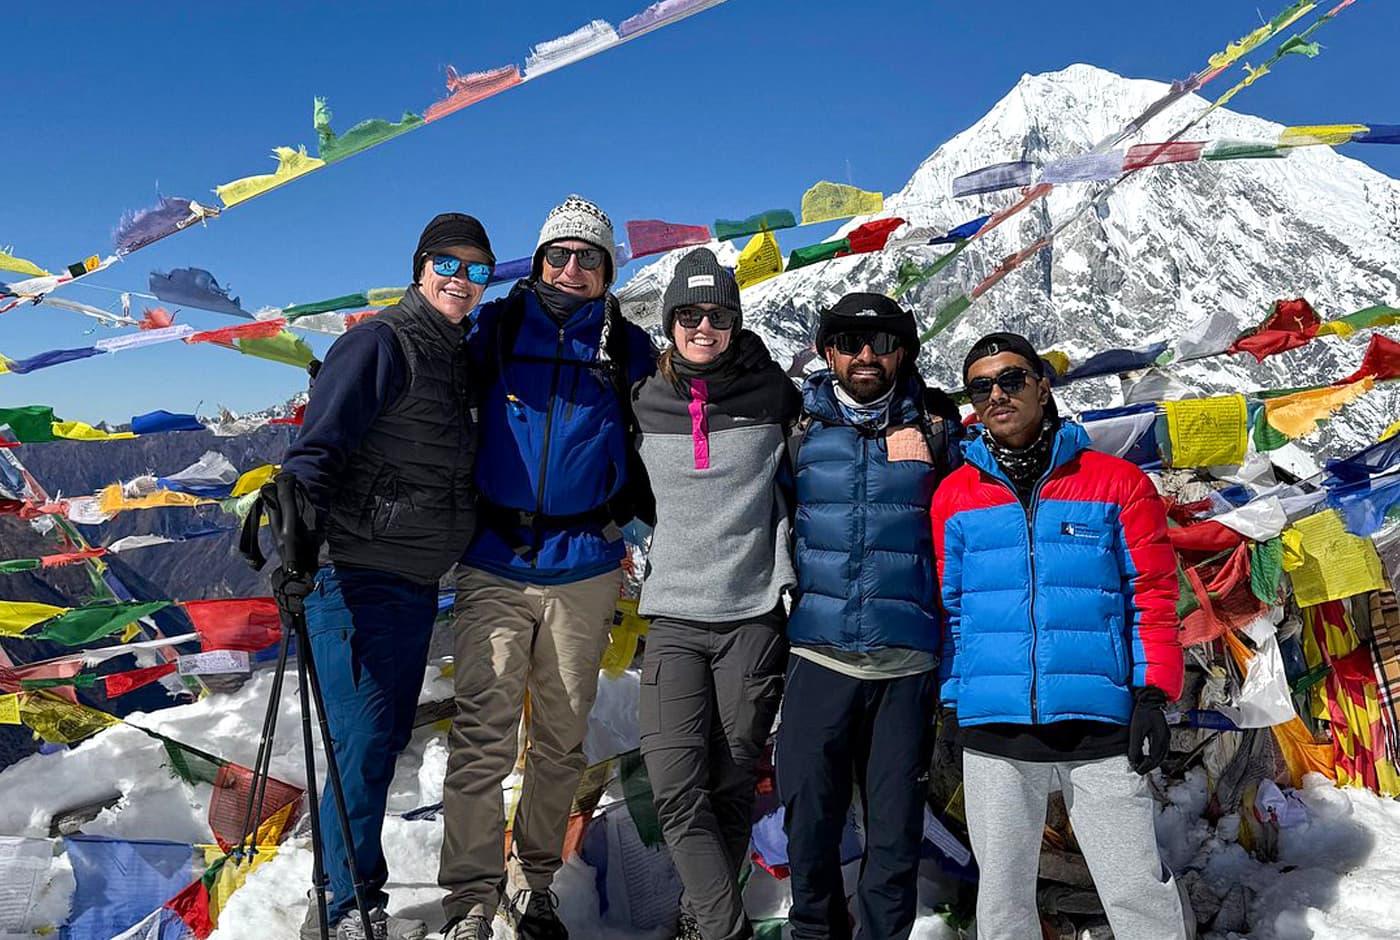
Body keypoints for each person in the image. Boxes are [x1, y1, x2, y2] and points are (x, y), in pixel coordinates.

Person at [438, 196, 657, 940]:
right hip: (494, 559)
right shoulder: (494, 329)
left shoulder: (629, 348)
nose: (571, 269)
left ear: (607, 271)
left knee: (560, 741)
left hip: (587, 563)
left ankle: (534, 884)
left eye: (588, 257)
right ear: (536, 264)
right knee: (482, 736)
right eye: (558, 255)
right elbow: (427, 402)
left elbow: (680, 426)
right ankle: (469, 897)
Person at [279, 213, 495, 940]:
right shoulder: (379, 342)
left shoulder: (457, 356)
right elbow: (316, 450)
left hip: (412, 579)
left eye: (477, 270)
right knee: (366, 740)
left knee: (380, 737)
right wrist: (295, 542)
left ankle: (349, 894)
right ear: (419, 266)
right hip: (351, 575)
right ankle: (342, 907)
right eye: (448, 263)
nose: (461, 280)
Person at [930, 331, 1187, 940]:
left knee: (1133, 888)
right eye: (982, 386)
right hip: (995, 722)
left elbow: (1151, 593)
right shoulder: (955, 496)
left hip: (1099, 721)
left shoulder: (1115, 483)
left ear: (1043, 386)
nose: (998, 394)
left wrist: (1152, 693)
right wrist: (951, 700)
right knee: (1001, 896)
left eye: (1013, 379)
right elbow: (954, 612)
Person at [776, 293, 962, 940]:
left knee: (893, 838)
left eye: (880, 343)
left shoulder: (940, 430)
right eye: (850, 342)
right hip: (816, 657)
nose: (865, 355)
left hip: (906, 665)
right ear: (827, 353)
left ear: (902, 353)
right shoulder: (798, 430)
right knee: (809, 830)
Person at [632, 248, 802, 940]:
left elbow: (849, 415)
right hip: (672, 616)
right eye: (691, 314)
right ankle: (722, 928)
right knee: (676, 787)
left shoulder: (773, 394)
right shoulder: (641, 397)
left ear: (736, 320)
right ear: (671, 320)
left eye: (720, 315)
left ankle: (703, 920)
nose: (705, 326)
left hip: (752, 620)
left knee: (732, 788)